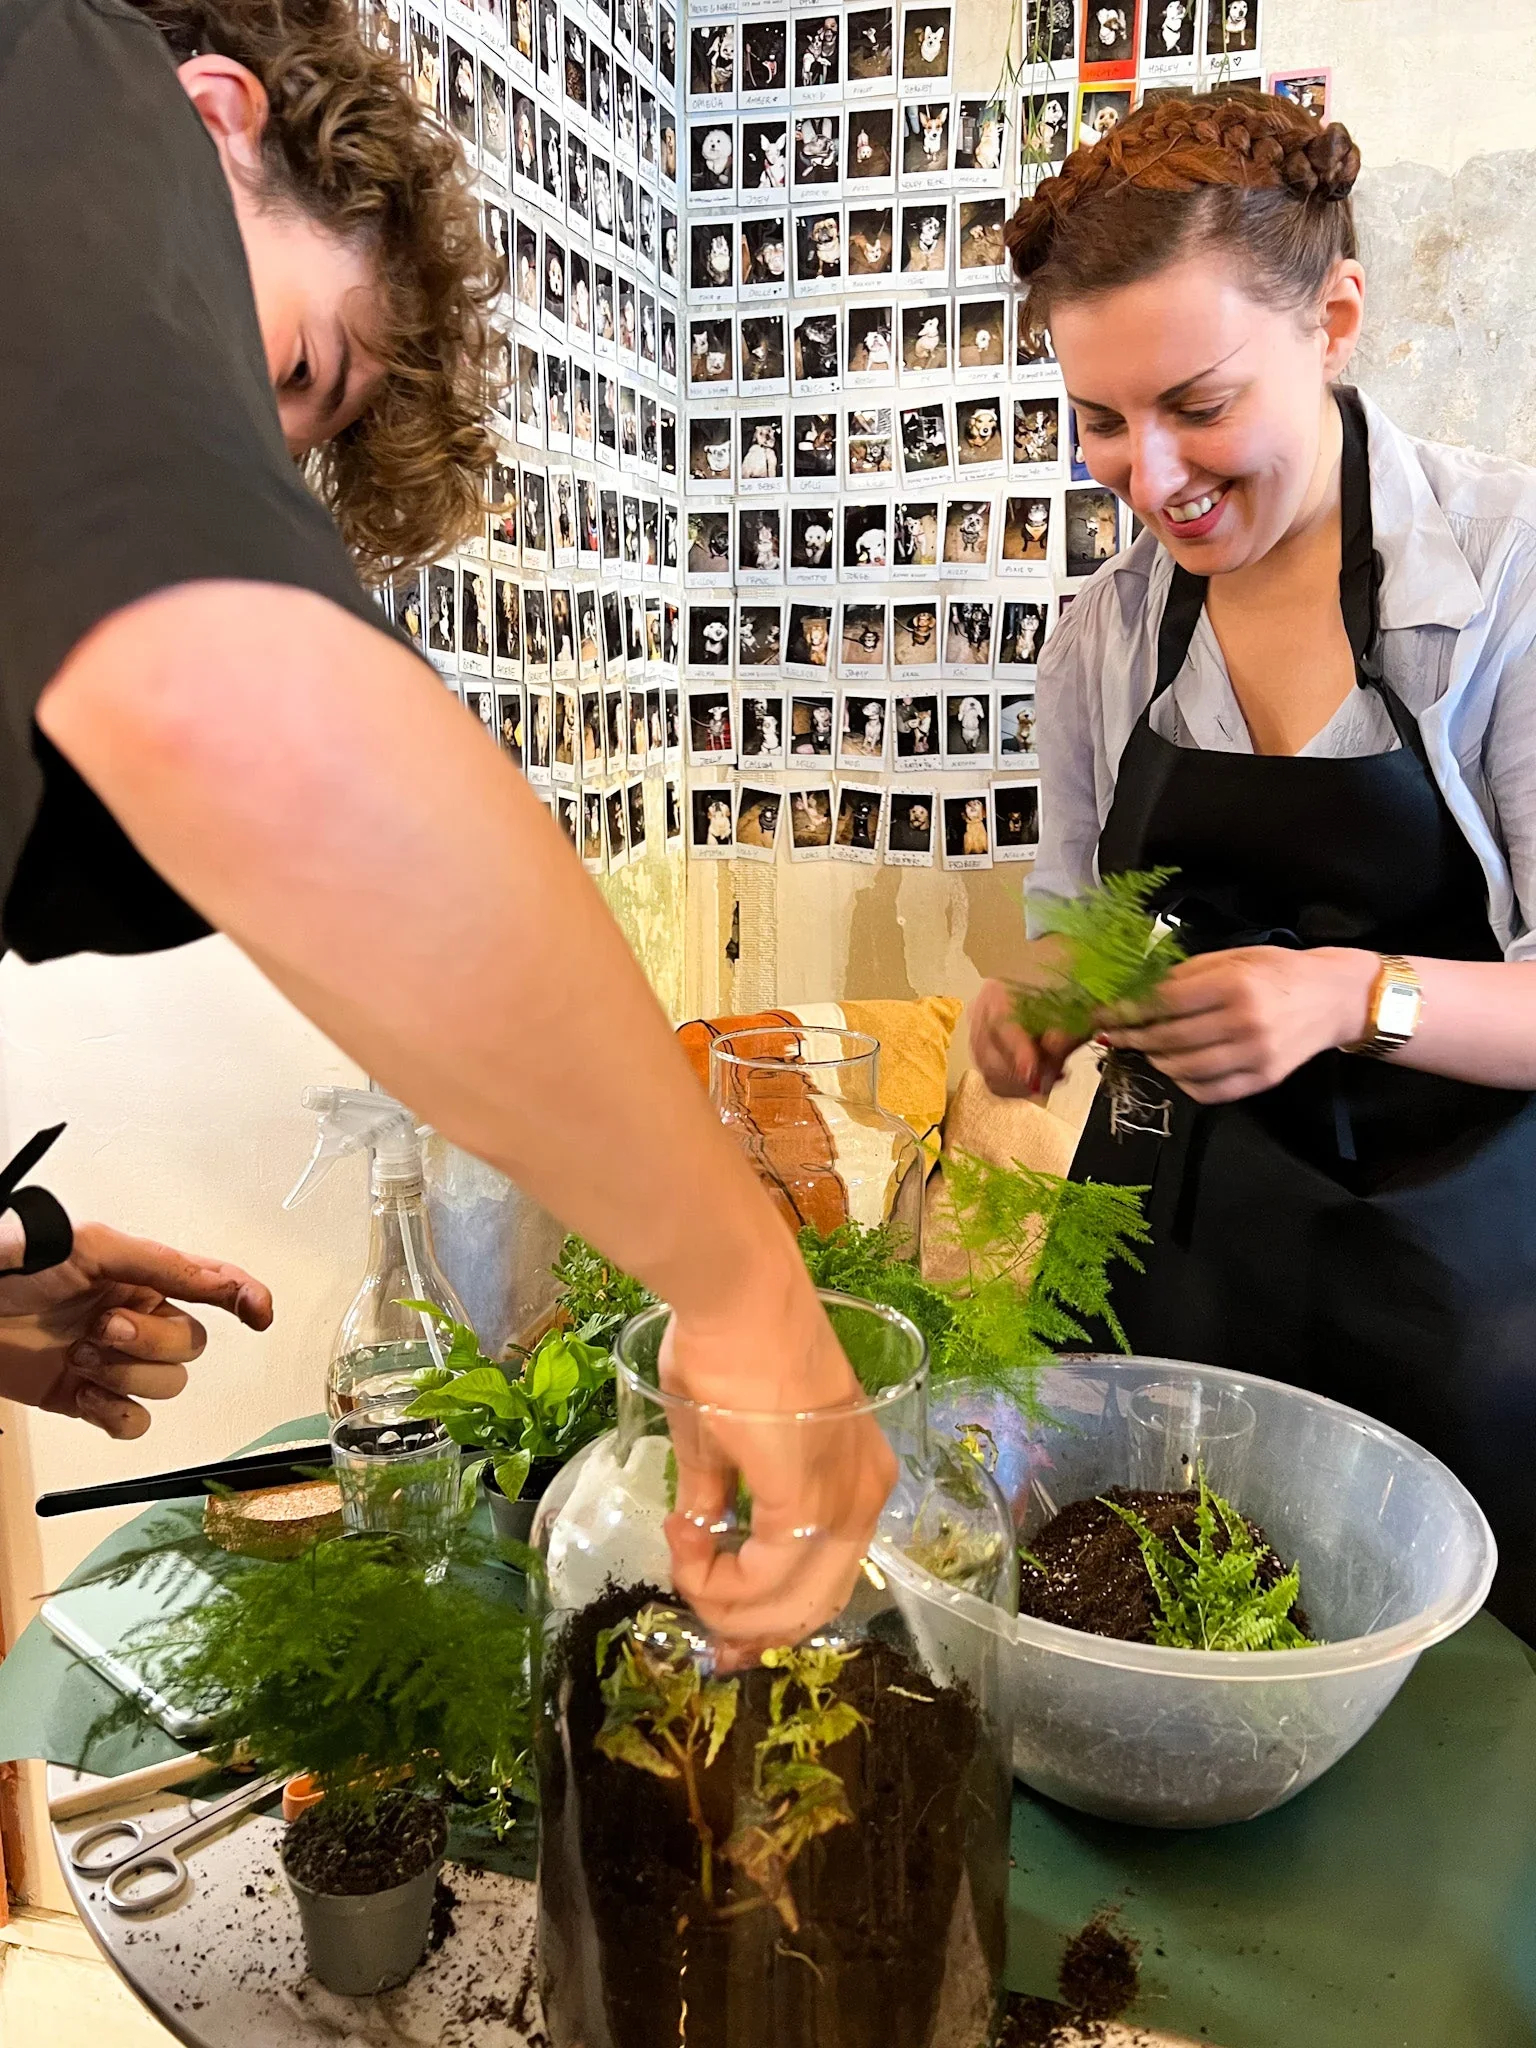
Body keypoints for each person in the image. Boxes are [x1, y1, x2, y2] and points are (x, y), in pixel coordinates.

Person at [0, 0, 891, 1649]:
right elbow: (231, 696)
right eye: (289, 373)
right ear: (217, 119)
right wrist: (743, 1289)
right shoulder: (66, 77)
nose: (248, 459)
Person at [972, 92, 1536, 1635]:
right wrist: (1042, 1007)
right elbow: (1079, 931)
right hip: (1170, 1289)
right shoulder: (1101, 641)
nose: (1150, 477)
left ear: (1335, 316)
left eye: (1198, 405)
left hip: (1456, 1303)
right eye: (1099, 418)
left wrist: (1351, 994)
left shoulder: (1502, 581)